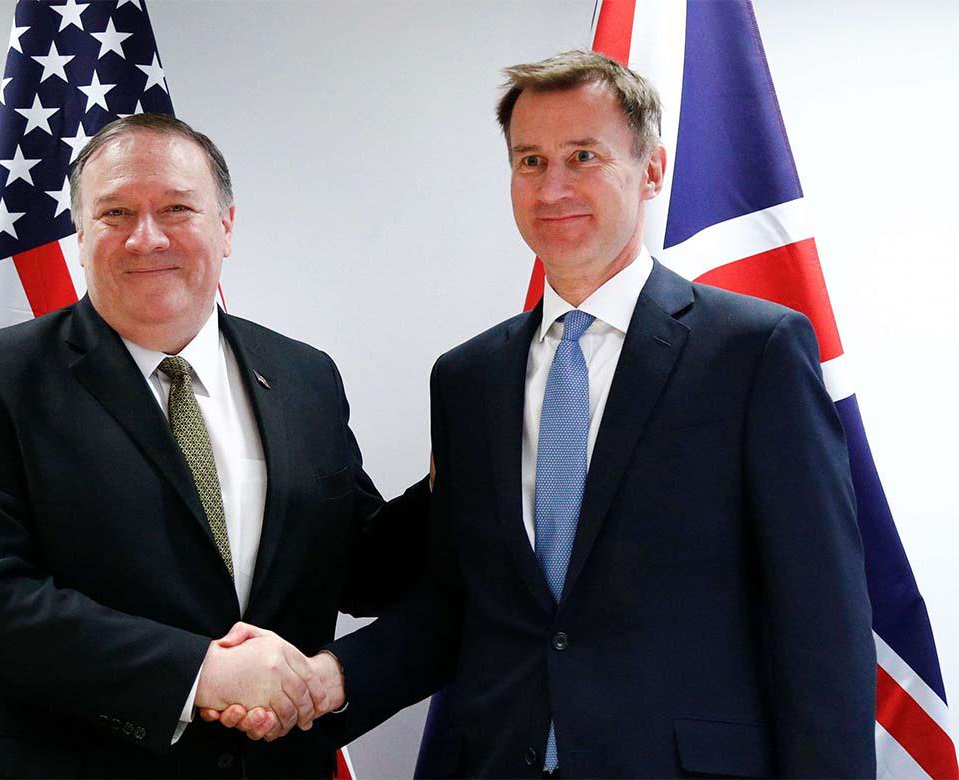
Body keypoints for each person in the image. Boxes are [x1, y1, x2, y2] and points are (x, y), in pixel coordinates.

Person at [211, 50, 876, 777]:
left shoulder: (754, 353)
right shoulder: (468, 379)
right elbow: (460, 601)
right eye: (529, 161)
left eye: (582, 156)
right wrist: (328, 681)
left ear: (652, 169)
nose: (552, 186)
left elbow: (821, 620)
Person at [0, 113, 427, 779]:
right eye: (115, 212)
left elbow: (362, 569)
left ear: (227, 227)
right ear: (80, 233)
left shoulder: (304, 376)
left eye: (177, 208)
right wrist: (205, 674)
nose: (146, 237)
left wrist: (456, 479)